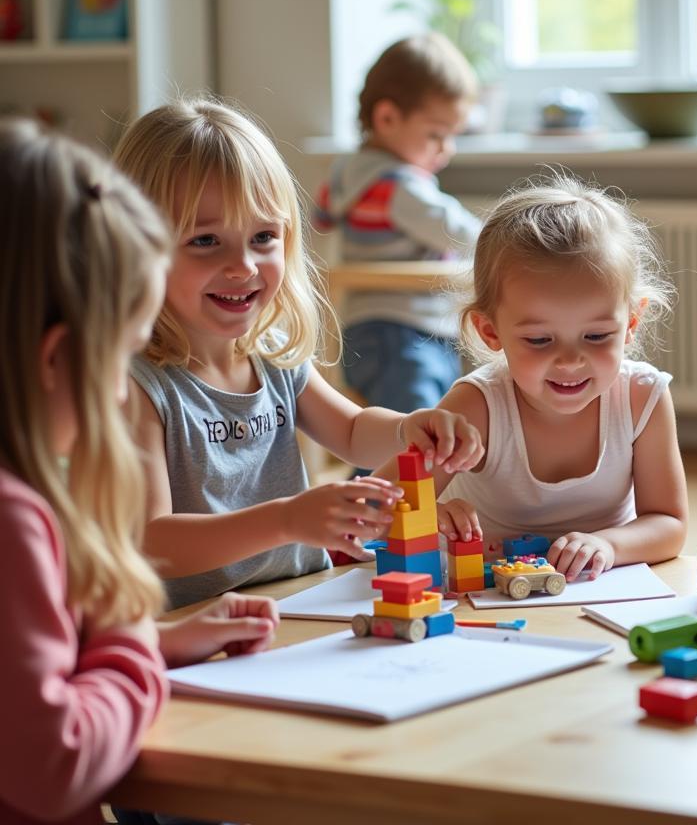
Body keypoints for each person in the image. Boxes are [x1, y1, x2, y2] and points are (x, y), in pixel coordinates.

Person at [0, 122, 279, 825]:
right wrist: (130, 644)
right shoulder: (13, 519)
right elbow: (53, 764)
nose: (126, 391)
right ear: (57, 358)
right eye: (122, 358)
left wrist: (159, 639)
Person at [113, 97, 484, 609]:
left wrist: (408, 430)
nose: (243, 266)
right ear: (137, 249)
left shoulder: (271, 357)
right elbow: (151, 544)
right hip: (197, 631)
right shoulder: (138, 386)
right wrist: (287, 520)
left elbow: (353, 432)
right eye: (205, 240)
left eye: (263, 236)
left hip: (299, 601)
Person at [378, 173, 688, 582]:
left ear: (631, 323)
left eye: (596, 336)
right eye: (540, 340)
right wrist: (427, 515)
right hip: (481, 600)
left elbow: (668, 523)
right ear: (490, 332)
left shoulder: (641, 397)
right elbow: (372, 508)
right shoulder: (477, 407)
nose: (570, 361)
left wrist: (610, 544)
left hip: (593, 597)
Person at [315, 33, 482, 414]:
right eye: (436, 135)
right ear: (387, 118)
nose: (447, 149)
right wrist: (509, 239)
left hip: (362, 332)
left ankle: (374, 476)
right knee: (412, 435)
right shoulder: (401, 188)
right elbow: (462, 233)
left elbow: (320, 218)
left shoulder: (345, 174)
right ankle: (387, 478)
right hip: (408, 334)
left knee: (387, 432)